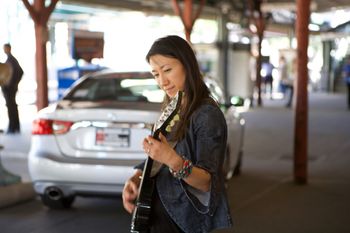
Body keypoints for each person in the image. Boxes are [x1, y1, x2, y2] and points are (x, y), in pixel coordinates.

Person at [122, 35, 232, 233]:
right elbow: (161, 157)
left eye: (167, 70)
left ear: (187, 65)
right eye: (155, 74)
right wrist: (137, 177)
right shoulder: (174, 105)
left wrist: (171, 159)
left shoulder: (207, 115)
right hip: (158, 215)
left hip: (184, 222)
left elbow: (207, 182)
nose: (162, 81)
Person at [1, 43, 23, 134]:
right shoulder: (9, 60)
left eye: (5, 48)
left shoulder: (12, 60)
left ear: (9, 49)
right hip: (9, 88)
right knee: (12, 107)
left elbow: (20, 72)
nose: (4, 50)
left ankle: (13, 127)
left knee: (11, 108)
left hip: (9, 89)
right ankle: (14, 127)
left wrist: (12, 84)